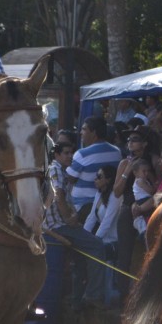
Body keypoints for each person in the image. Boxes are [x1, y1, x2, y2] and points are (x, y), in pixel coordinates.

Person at [43, 141, 109, 309]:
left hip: (59, 224)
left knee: (79, 259)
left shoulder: (60, 171)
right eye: (66, 153)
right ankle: (93, 295)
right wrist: (68, 218)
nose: (70, 156)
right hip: (58, 225)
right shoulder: (55, 169)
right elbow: (59, 195)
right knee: (97, 246)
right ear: (56, 155)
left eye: (71, 152)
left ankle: (77, 301)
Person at [66, 116, 123, 221]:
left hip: (83, 206)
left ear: (94, 133)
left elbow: (70, 179)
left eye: (84, 129)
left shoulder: (81, 154)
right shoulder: (117, 152)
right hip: (106, 203)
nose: (81, 132)